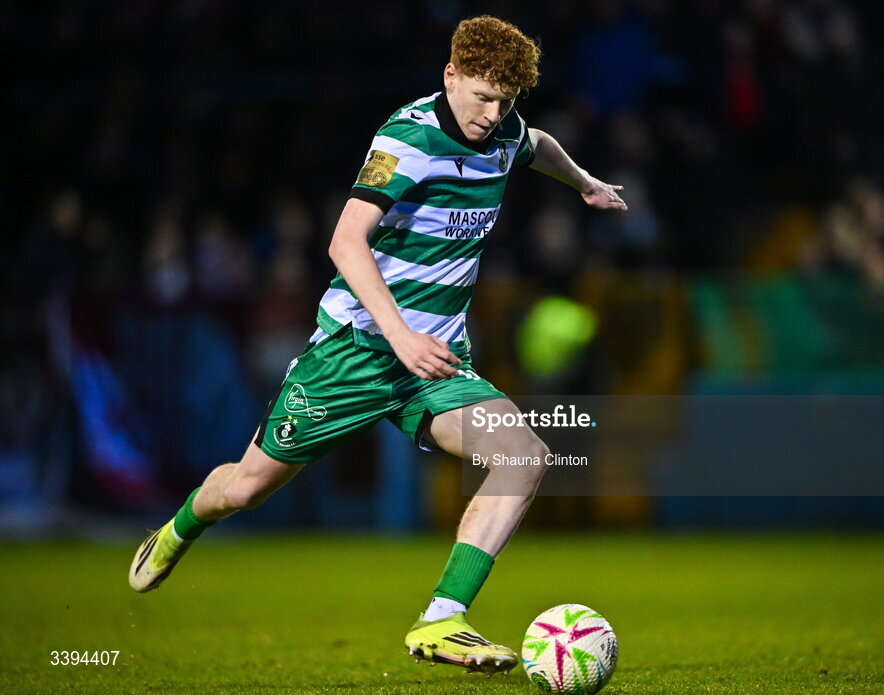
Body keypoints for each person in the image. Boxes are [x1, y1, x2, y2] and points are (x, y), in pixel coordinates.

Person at [128, 15, 627, 675]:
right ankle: (179, 527)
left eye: (503, 100)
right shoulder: (406, 139)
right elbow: (344, 241)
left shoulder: (504, 129)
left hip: (435, 363)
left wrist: (586, 181)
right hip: (356, 353)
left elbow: (536, 142)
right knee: (245, 488)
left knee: (524, 455)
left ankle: (442, 618)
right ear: (450, 75)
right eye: (480, 96)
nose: (490, 114)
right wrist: (401, 334)